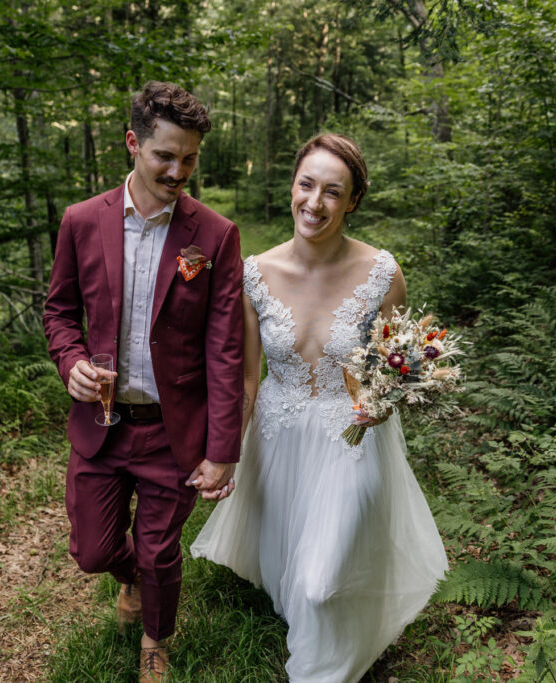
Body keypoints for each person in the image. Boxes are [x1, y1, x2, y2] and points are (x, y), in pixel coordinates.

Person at [191, 133, 448, 682]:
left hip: (351, 433)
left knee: (320, 579)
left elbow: (391, 362)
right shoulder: (253, 274)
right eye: (306, 185)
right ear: (292, 187)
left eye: (333, 192)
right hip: (279, 433)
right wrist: (227, 452)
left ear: (352, 201)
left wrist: (383, 402)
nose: (315, 202)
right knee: (292, 569)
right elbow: (246, 379)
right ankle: (303, 608)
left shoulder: (382, 272)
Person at [43, 81, 244, 683]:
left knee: (160, 550)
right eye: (165, 155)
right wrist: (70, 359)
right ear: (134, 144)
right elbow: (58, 312)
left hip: (170, 430)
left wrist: (222, 449)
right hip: (101, 425)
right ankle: (124, 577)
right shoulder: (81, 222)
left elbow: (226, 347)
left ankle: (156, 643)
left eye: (189, 158)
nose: (178, 170)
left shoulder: (214, 236)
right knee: (93, 551)